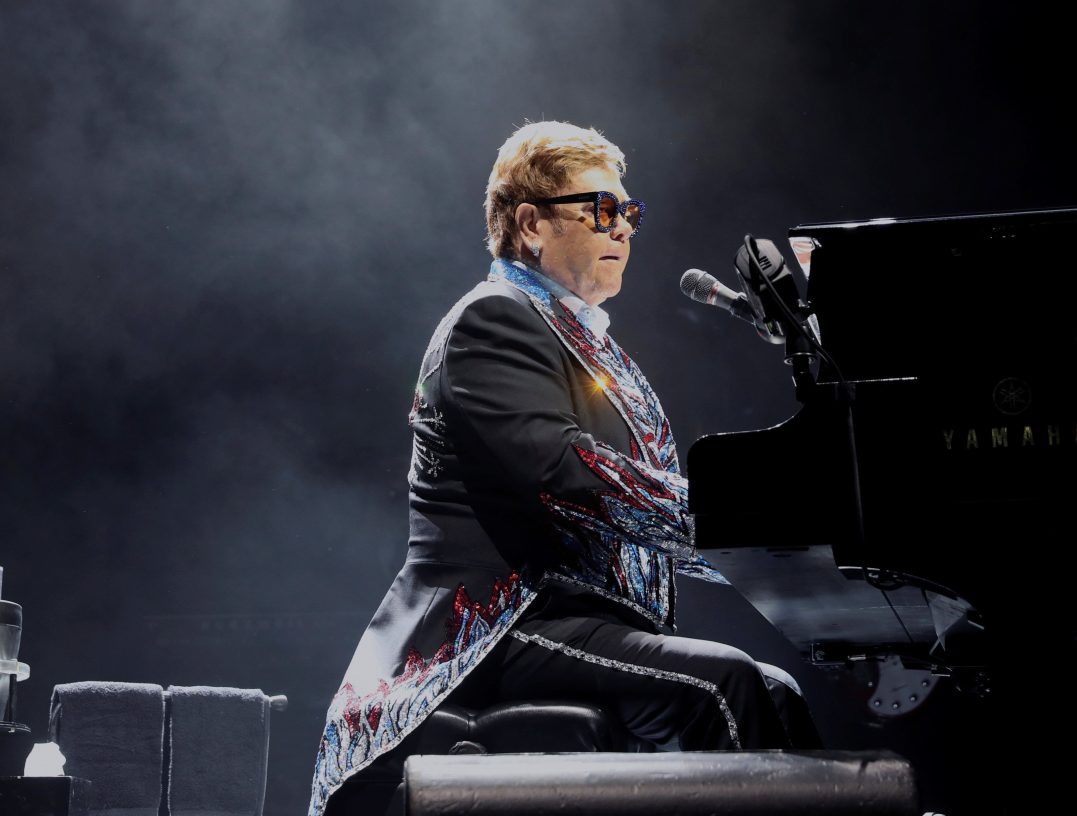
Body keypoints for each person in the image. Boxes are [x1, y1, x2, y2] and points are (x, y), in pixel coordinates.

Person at [310, 121, 817, 816]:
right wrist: (747, 523)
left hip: (568, 621)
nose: (624, 228)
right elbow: (568, 474)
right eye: (601, 209)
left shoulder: (581, 341)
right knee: (725, 682)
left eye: (628, 212)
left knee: (777, 691)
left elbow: (645, 509)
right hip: (491, 626)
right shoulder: (492, 320)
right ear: (531, 225)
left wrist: (777, 555)